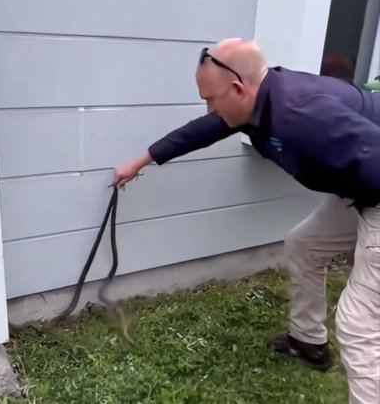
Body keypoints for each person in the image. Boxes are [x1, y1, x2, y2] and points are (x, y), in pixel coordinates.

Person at [113, 39, 380, 404]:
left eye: (211, 99)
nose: (209, 109)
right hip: (363, 187)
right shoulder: (258, 101)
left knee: (360, 323)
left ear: (238, 89)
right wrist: (144, 159)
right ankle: (308, 341)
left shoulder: (303, 117)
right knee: (305, 245)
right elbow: (205, 129)